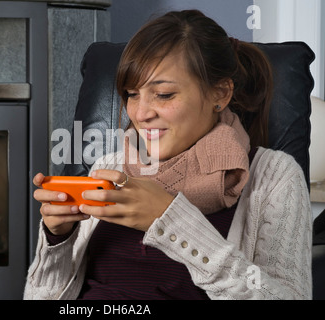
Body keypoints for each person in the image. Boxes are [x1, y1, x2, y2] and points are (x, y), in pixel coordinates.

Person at [24, 10, 312, 300]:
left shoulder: (274, 178)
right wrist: (57, 240)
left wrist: (171, 221)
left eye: (163, 94)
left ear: (220, 94)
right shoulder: (108, 167)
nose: (140, 113)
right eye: (131, 94)